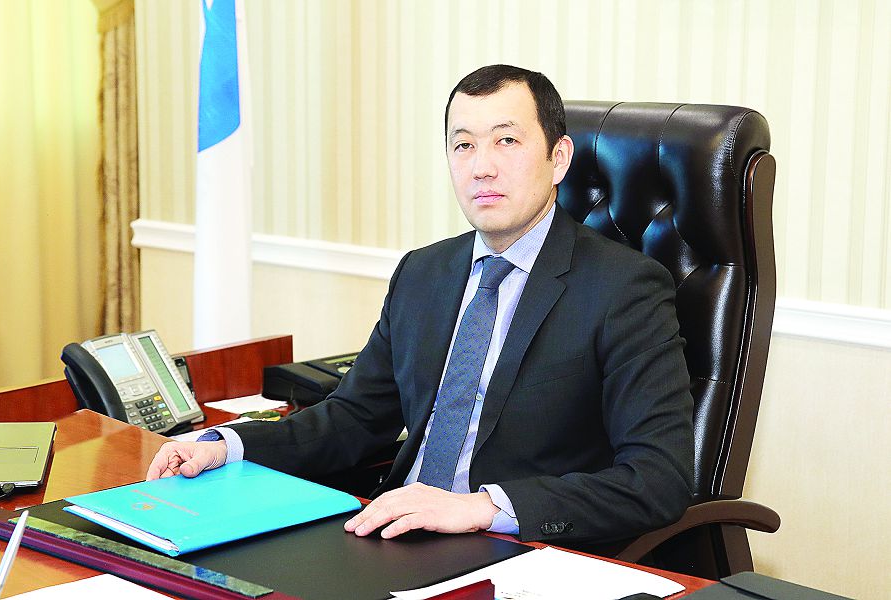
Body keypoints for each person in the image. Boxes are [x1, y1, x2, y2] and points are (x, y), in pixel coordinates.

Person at [147, 64, 693, 547]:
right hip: (392, 532)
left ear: (558, 158)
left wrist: (483, 509)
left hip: (517, 552)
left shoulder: (624, 288)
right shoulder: (423, 273)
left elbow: (658, 479)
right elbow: (353, 419)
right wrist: (225, 445)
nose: (481, 167)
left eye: (506, 141)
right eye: (463, 146)